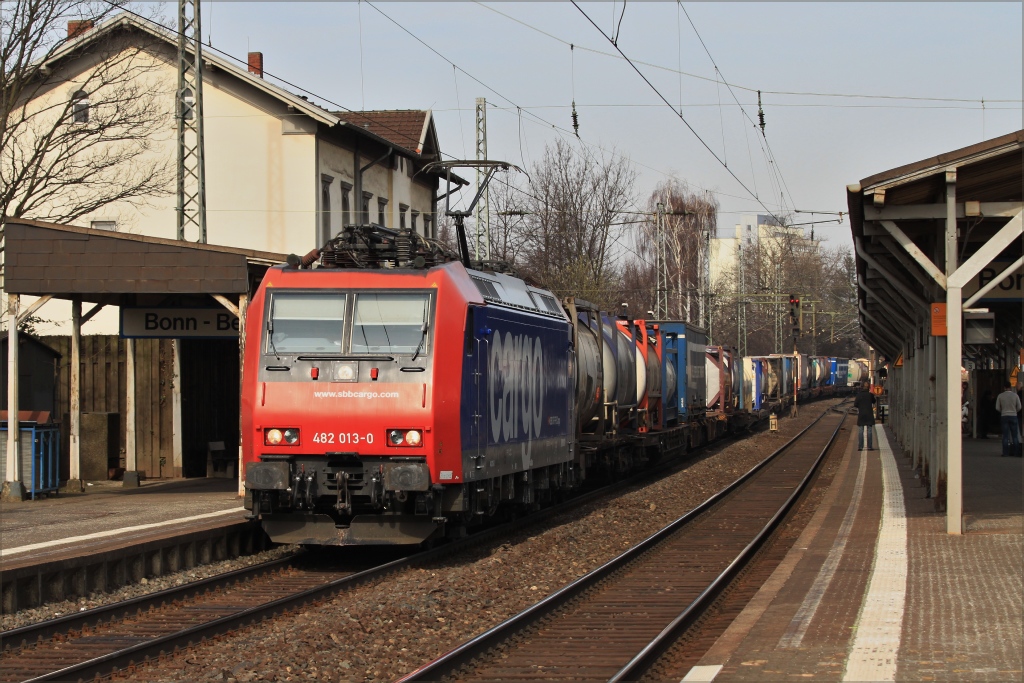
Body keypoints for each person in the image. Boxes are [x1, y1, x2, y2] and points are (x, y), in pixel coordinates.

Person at [995, 383, 1022, 457]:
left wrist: (1002, 411)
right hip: (1013, 416)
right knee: (1015, 436)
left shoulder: (1000, 396)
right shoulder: (1015, 395)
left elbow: (997, 407)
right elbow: (1019, 406)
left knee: (1005, 436)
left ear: (1004, 387)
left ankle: (1005, 453)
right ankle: (1016, 453)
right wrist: (1014, 411)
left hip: (1004, 416)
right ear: (1010, 387)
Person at [853, 381, 876, 451]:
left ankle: (860, 446)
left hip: (861, 414)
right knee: (869, 430)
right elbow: (874, 401)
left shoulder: (859, 395)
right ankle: (869, 446)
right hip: (869, 413)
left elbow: (855, 404)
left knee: (861, 430)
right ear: (868, 387)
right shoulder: (870, 395)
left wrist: (860, 406)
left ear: (862, 387)